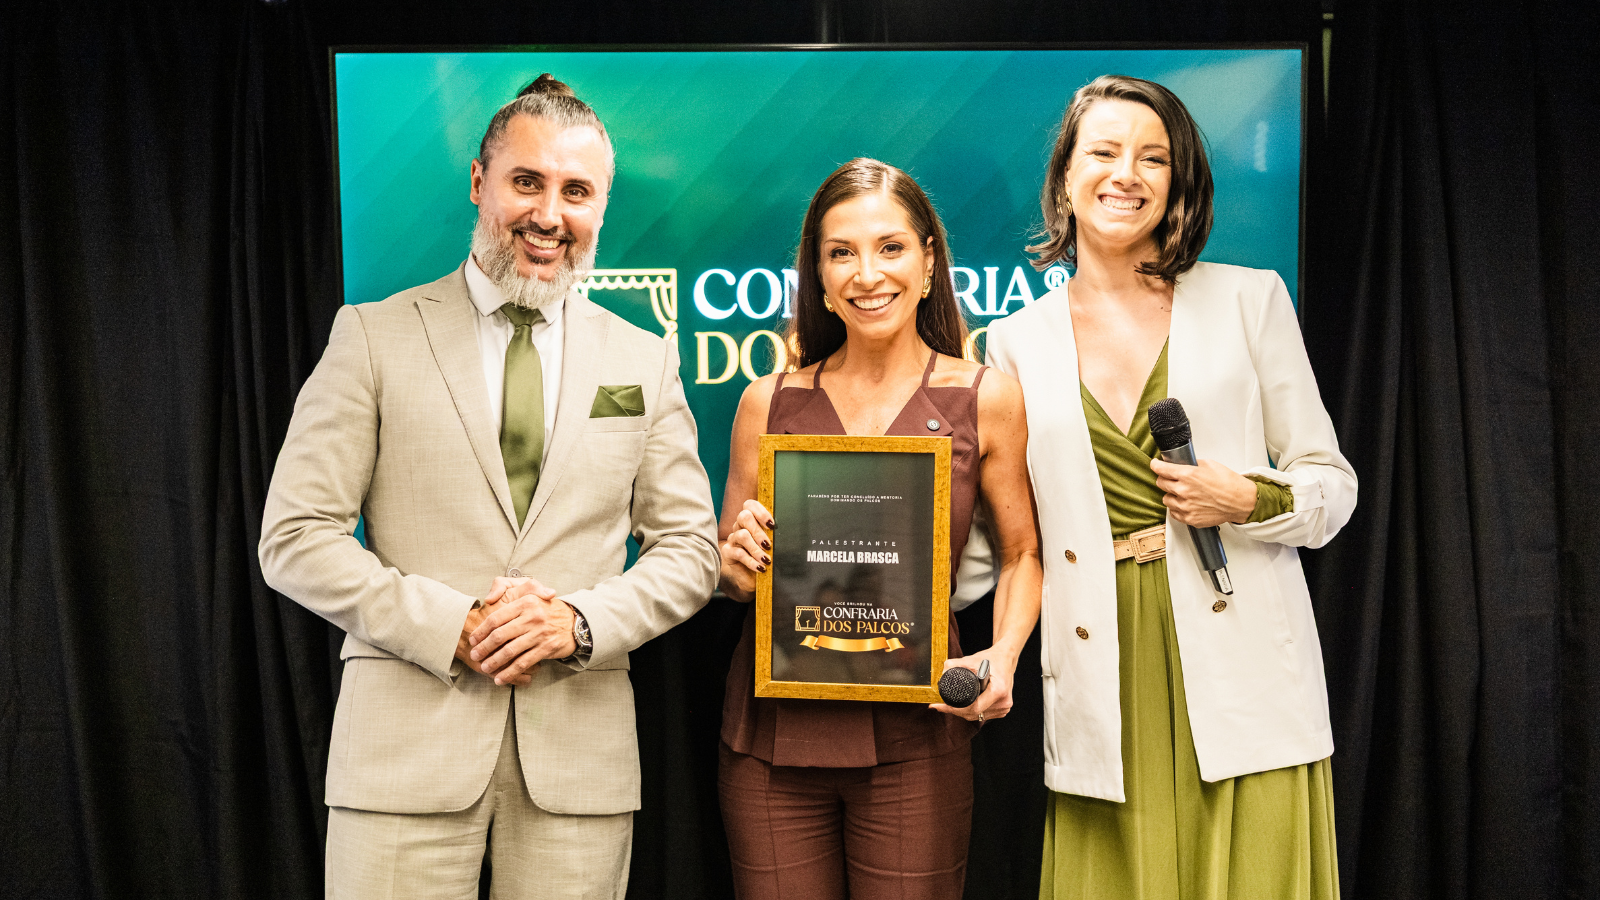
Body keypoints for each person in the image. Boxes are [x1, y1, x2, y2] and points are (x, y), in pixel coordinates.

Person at [259, 74, 719, 899]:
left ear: (602, 207)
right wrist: (453, 625)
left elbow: (690, 551)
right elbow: (295, 538)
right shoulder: (370, 336)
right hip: (401, 763)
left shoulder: (643, 359)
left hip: (577, 768)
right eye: (527, 181)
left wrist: (578, 620)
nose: (550, 214)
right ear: (480, 182)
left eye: (576, 191)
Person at [983, 74, 1357, 899]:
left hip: (1243, 660)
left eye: (1155, 158)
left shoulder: (1250, 300)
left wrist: (1248, 498)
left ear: (1178, 182)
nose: (1129, 174)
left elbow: (1332, 486)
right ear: (1066, 178)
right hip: (1100, 668)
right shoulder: (1012, 345)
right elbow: (1006, 546)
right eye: (1106, 152)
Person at [715, 158, 1043, 899]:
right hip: (771, 739)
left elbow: (1024, 554)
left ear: (929, 262)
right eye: (842, 253)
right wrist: (734, 562)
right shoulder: (764, 402)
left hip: (920, 731)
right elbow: (728, 575)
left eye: (891, 247)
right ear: (820, 276)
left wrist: (1006, 655)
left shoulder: (986, 397)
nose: (868, 274)